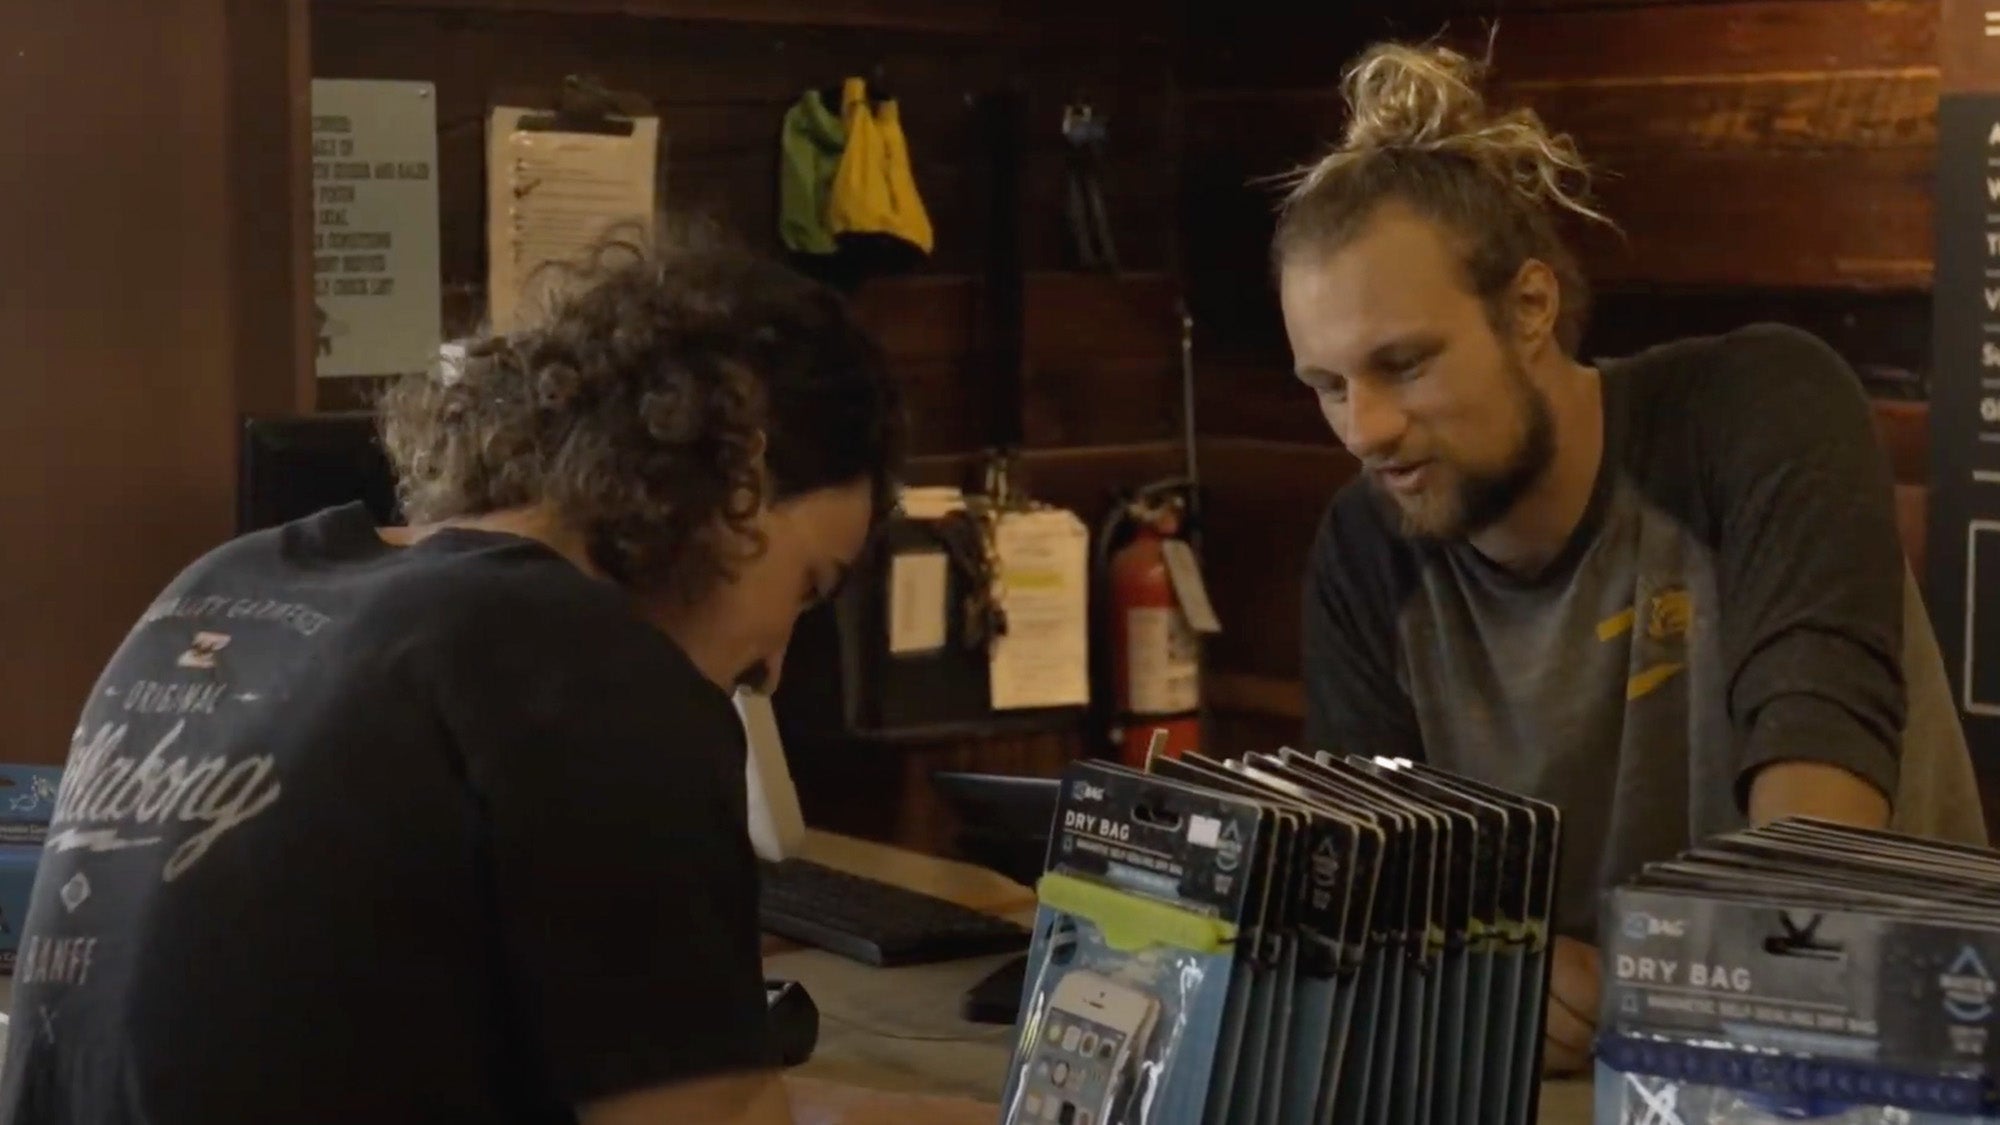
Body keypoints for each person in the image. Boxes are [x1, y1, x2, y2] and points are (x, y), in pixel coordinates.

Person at [0, 230, 905, 1124]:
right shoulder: (594, 671)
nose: (775, 662)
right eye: (807, 587)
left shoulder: (228, 584)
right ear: (739, 466)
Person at [1276, 42, 1988, 1077]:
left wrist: (1608, 985)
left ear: (1528, 311)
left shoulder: (1753, 412)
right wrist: (1492, 976)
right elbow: (1369, 895)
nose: (1364, 428)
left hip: (1889, 1069)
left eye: (1403, 364)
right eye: (1327, 385)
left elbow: (1812, 850)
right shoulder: (1361, 545)